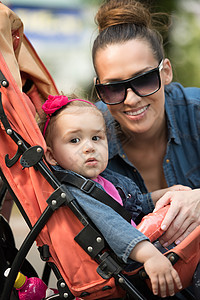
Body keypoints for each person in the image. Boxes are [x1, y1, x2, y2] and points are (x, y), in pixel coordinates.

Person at [38, 94, 190, 299]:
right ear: (51, 156)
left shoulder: (104, 179)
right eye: (74, 140)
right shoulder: (76, 191)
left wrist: (163, 195)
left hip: (143, 248)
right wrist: (151, 256)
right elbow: (113, 226)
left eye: (96, 138)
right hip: (130, 260)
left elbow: (131, 204)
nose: (89, 146)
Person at [92, 0, 200, 249]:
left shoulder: (195, 112)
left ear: (166, 72)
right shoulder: (83, 138)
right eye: (113, 87)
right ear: (99, 89)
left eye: (144, 79)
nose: (131, 99)